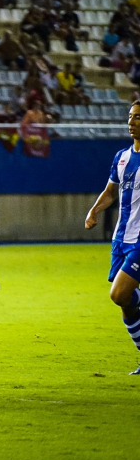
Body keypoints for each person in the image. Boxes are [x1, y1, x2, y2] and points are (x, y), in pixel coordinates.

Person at [85, 101, 140, 374]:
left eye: (138, 117)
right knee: (123, 302)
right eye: (130, 116)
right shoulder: (122, 157)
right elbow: (110, 191)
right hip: (121, 238)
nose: (132, 121)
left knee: (120, 292)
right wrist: (94, 210)